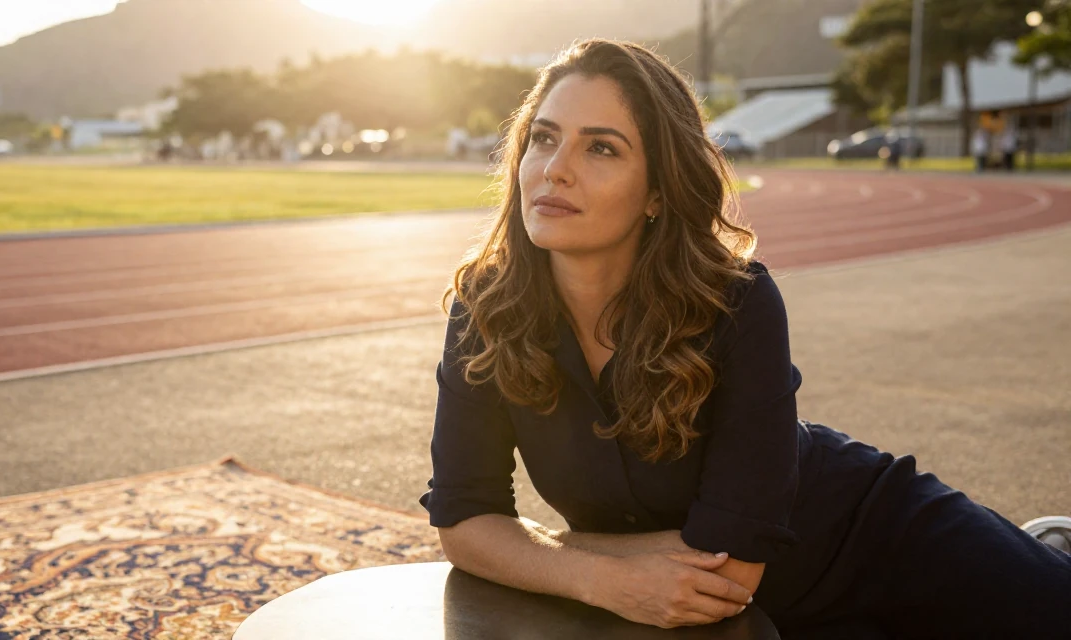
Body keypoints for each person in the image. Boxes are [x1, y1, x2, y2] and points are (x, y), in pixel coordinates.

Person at [417, 39, 1071, 639]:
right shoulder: (486, 309)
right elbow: (465, 522)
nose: (554, 170)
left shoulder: (736, 301)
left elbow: (728, 571)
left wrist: (555, 546)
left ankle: (1046, 553)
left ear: (657, 192)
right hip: (718, 614)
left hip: (876, 537)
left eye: (602, 148)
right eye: (544, 138)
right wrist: (598, 577)